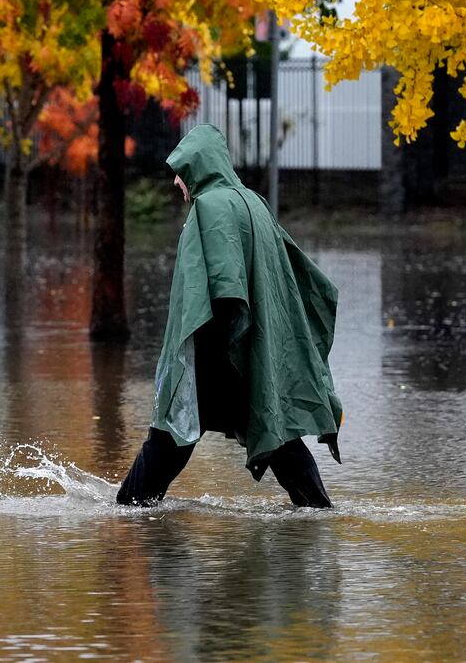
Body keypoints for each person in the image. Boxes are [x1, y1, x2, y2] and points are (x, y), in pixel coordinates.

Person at [117, 124, 343, 509]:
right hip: (253, 342)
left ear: (199, 166)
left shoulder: (210, 208)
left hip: (219, 342)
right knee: (275, 429)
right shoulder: (254, 201)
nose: (176, 181)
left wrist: (209, 350)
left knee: (172, 429)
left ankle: (128, 511)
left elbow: (222, 283)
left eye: (181, 169)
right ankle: (319, 512)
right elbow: (292, 272)